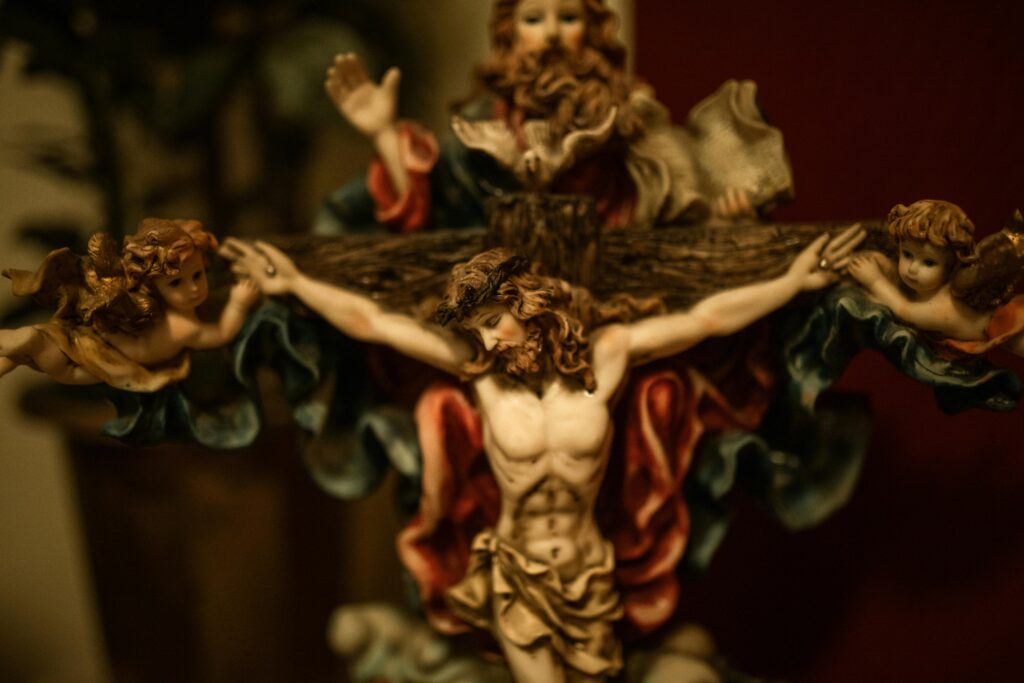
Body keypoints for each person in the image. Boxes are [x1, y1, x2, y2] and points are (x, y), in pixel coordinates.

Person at [221, 224, 864, 683]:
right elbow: (375, 324)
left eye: (492, 323)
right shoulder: (480, 375)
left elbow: (708, 320)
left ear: (523, 303)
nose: (489, 342)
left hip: (591, 573)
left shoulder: (606, 358)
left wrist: (792, 282)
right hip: (518, 572)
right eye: (476, 332)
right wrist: (297, 283)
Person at [318, 0, 792, 233]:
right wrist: (383, 133)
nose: (550, 35)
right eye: (533, 19)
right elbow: (431, 216)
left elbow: (679, 198)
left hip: (620, 294)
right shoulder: (481, 127)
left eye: (567, 18)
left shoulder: (631, 116)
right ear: (509, 34)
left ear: (592, 30)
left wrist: (722, 216)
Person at [0, 218, 260, 392]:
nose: (193, 288)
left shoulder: (167, 316)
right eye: (176, 283)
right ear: (153, 286)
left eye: (197, 275)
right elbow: (222, 333)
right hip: (113, 358)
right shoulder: (183, 325)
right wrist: (238, 305)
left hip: (107, 348)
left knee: (44, 346)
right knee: (55, 362)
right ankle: (23, 345)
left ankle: (19, 347)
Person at [847, 199, 1024, 356]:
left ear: (952, 266)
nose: (912, 269)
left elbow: (904, 310)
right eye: (907, 254)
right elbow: (907, 288)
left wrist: (875, 280)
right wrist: (887, 267)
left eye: (929, 263)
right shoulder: (930, 284)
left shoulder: (944, 304)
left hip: (1007, 329)